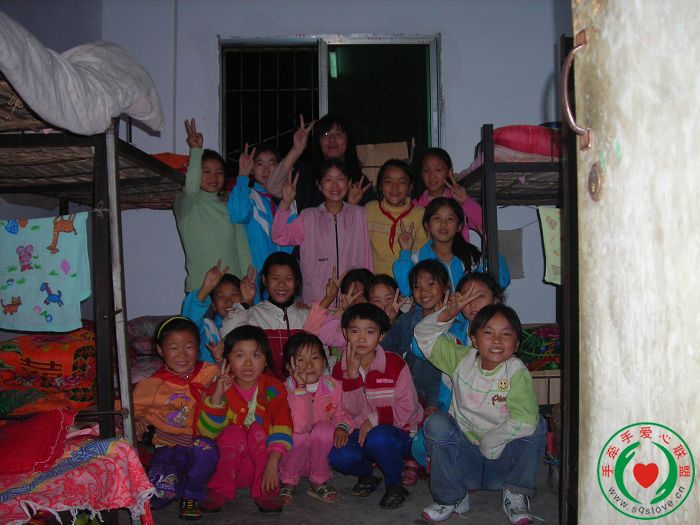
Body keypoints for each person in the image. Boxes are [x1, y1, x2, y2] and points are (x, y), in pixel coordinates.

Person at [415, 303, 546, 524]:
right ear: (474, 339)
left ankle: (516, 494)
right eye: (488, 333)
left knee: (537, 424)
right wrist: (448, 313)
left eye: (506, 334)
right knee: (436, 423)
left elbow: (525, 419)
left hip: (502, 464)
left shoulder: (516, 371)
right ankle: (452, 498)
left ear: (516, 344)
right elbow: (423, 336)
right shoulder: (460, 359)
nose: (497, 340)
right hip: (465, 463)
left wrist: (490, 441)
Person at [328, 303, 423, 510]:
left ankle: (395, 485)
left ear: (381, 336)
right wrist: (351, 376)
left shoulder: (395, 364)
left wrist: (374, 420)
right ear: (344, 333)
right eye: (355, 331)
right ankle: (367, 475)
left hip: (397, 433)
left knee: (379, 437)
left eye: (370, 332)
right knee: (337, 455)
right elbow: (347, 410)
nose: (361, 339)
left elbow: (408, 408)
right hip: (358, 433)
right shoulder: (339, 369)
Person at [197, 325, 293, 513]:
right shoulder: (219, 387)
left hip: (265, 470)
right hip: (228, 468)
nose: (248, 363)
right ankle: (219, 489)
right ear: (227, 360)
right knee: (233, 432)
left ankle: (266, 491)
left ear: (266, 361)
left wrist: (273, 464)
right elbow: (207, 434)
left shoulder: (274, 388)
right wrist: (217, 397)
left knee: (257, 430)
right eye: (240, 355)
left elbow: (283, 425)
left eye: (256, 355)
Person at [132, 316, 219, 520]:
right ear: (160, 350)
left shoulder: (208, 372)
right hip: (168, 447)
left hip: (197, 444)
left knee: (207, 450)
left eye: (189, 347)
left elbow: (230, 380)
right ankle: (178, 483)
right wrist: (137, 419)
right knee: (159, 496)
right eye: (173, 348)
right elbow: (130, 408)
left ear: (198, 349)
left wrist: (221, 359)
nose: (182, 355)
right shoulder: (152, 384)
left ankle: (192, 494)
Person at [228, 118, 314, 300]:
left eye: (272, 164)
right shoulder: (248, 195)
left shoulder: (289, 197)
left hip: (288, 282)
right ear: (252, 169)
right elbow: (238, 214)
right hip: (259, 282)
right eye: (259, 164)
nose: (266, 170)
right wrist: (242, 176)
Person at [271, 158, 373, 305]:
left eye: (340, 179)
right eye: (328, 180)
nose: (335, 185)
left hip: (353, 301)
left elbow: (367, 258)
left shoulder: (360, 214)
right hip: (317, 301)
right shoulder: (308, 216)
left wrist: (369, 291)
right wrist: (285, 203)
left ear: (349, 183)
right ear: (319, 185)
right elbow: (279, 236)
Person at [174, 118, 251, 293]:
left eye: (219, 173)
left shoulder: (229, 207)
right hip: (200, 291)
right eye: (206, 172)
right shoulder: (185, 205)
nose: (213, 178)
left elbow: (242, 249)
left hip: (232, 292)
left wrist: (247, 283)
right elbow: (191, 189)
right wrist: (196, 151)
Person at [278, 333, 352, 505]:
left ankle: (318, 480)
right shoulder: (284, 390)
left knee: (325, 429)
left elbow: (342, 413)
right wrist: (300, 388)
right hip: (294, 452)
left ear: (324, 362)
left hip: (320, 454)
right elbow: (300, 425)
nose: (309, 365)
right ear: (289, 366)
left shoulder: (333, 387)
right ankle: (288, 480)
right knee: (298, 434)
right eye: (300, 360)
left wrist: (342, 427)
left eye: (315, 358)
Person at [393, 197, 510, 297]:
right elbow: (407, 290)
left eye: (450, 219)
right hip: (433, 317)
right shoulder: (417, 259)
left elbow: (500, 283)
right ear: (427, 224)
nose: (443, 224)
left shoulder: (472, 256)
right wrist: (405, 251)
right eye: (437, 218)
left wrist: (490, 250)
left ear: (459, 226)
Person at [220, 252, 309, 380]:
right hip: (265, 389)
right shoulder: (253, 314)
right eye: (275, 278)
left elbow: (320, 355)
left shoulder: (306, 315)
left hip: (303, 387)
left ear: (296, 281)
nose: (281, 284)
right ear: (264, 280)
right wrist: (245, 302)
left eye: (288, 279)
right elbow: (229, 336)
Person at [267, 113, 368, 210]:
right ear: (319, 141)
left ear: (348, 139)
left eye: (338, 134)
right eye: (326, 134)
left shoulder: (359, 182)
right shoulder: (305, 175)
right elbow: (273, 187)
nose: (332, 139)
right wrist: (296, 149)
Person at [365, 159, 428, 275]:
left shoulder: (420, 214)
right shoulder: (369, 210)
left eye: (402, 182)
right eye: (388, 181)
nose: (395, 187)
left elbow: (425, 254)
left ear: (410, 187)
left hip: (409, 280)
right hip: (375, 281)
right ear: (380, 185)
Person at [181, 260, 251, 363]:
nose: (229, 301)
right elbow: (188, 324)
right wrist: (206, 288)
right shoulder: (209, 332)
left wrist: (248, 303)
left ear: (242, 297)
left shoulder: (252, 321)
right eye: (221, 297)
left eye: (234, 294)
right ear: (213, 305)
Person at [413, 147, 482, 239]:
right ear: (421, 174)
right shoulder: (415, 205)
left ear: (449, 172)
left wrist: (465, 202)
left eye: (438, 170)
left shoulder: (458, 199)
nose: (432, 175)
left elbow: (483, 223)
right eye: (426, 170)